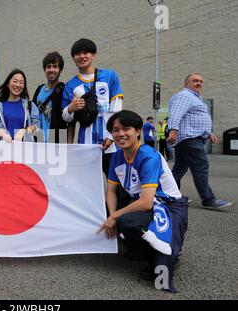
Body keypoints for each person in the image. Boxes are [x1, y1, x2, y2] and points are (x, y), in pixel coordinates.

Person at [98, 110, 188, 293]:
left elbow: (147, 202)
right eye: (116, 130)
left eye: (126, 129)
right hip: (141, 202)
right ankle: (143, 251)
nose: (120, 134)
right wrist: (111, 215)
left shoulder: (149, 156)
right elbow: (112, 192)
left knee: (160, 277)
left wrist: (115, 216)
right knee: (106, 212)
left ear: (138, 131)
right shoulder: (116, 157)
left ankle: (167, 255)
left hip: (168, 206)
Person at [167, 73, 232, 210]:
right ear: (186, 84)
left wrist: (209, 133)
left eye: (201, 81)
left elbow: (194, 118)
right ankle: (208, 199)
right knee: (201, 166)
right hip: (189, 138)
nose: (199, 83)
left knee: (179, 170)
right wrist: (173, 130)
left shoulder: (195, 98)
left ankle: (170, 194)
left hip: (191, 138)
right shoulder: (184, 95)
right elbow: (176, 113)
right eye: (195, 81)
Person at [62, 38, 124, 176]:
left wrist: (111, 135)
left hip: (110, 142)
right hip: (86, 144)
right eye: (78, 54)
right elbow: (66, 118)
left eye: (86, 53)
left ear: (93, 55)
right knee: (87, 183)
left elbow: (116, 107)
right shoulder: (70, 85)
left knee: (116, 182)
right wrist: (71, 108)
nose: (82, 56)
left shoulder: (109, 76)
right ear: (73, 58)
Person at [32, 52, 75, 143]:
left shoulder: (65, 90)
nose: (51, 70)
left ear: (60, 69)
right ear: (45, 69)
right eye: (49, 66)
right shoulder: (39, 89)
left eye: (55, 66)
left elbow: (71, 121)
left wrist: (69, 144)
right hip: (38, 137)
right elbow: (32, 114)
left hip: (58, 137)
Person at [0, 69, 41, 142]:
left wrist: (26, 131)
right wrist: (3, 134)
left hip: (26, 150)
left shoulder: (30, 105)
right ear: (8, 84)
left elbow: (37, 124)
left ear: (24, 86)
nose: (18, 85)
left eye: (21, 82)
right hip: (5, 148)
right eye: (15, 81)